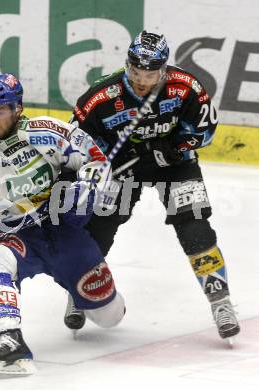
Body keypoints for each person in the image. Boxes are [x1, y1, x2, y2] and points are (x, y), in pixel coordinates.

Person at [0, 73, 125, 375]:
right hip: (12, 237)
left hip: (63, 233)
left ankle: (77, 291)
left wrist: (84, 190)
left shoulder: (50, 131)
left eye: (0, 111)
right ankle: (11, 341)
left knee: (110, 316)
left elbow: (97, 161)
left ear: (17, 108)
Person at [64, 31, 240, 342]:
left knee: (194, 224)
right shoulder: (99, 98)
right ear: (127, 65)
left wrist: (173, 146)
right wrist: (100, 163)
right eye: (135, 72)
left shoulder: (186, 87)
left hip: (175, 165)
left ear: (164, 69)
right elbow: (75, 145)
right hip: (122, 170)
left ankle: (221, 302)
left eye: (150, 74)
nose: (142, 80)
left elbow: (206, 130)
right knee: (100, 227)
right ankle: (82, 293)